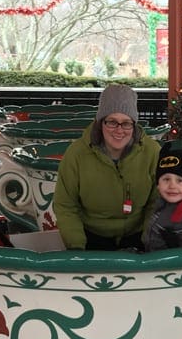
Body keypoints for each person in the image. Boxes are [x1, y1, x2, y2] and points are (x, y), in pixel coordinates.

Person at [52, 84, 161, 250]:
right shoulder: (76, 154)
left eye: (126, 123)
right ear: (100, 122)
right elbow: (66, 205)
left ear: (134, 125)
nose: (119, 130)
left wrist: (148, 242)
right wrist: (77, 248)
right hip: (90, 238)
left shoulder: (152, 152)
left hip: (138, 237)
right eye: (112, 122)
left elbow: (156, 202)